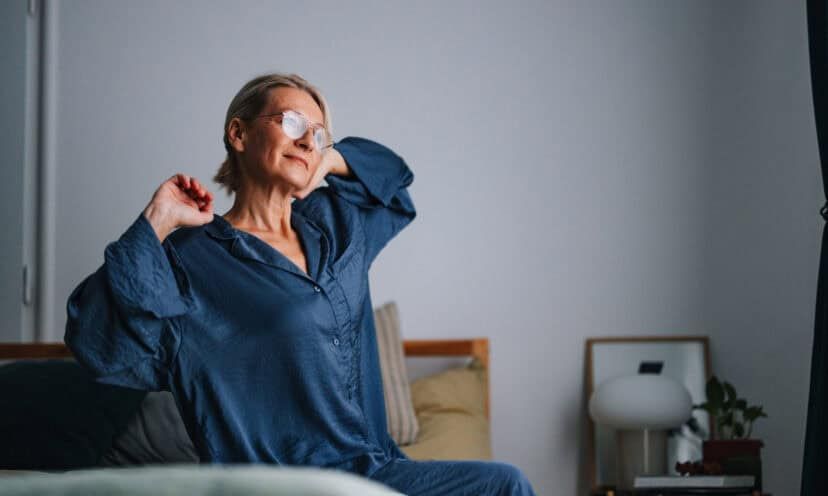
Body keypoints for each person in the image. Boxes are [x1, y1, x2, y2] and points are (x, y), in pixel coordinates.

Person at [65, 73, 536, 496]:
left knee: (504, 485)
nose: (308, 141)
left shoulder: (335, 223)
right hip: (281, 484)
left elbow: (395, 194)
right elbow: (102, 347)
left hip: (375, 471)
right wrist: (158, 221)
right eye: (292, 123)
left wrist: (331, 161)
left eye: (318, 134)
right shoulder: (189, 258)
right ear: (239, 133)